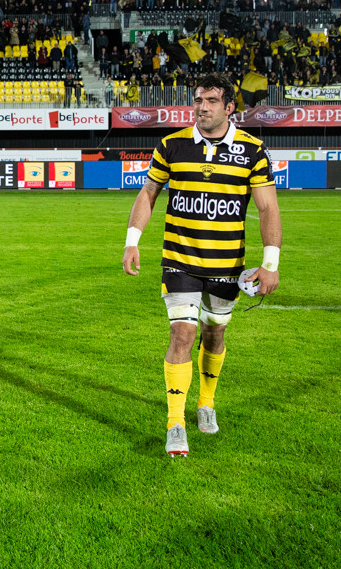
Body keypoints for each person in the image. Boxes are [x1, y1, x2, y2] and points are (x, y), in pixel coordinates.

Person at [121, 73, 281, 458]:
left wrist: (270, 263)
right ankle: (175, 423)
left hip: (227, 264)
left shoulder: (253, 151)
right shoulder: (172, 145)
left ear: (229, 107)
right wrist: (131, 241)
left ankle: (205, 401)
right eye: (198, 99)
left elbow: (267, 208)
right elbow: (149, 192)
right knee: (182, 336)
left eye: (211, 100)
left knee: (214, 336)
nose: (202, 106)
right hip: (180, 260)